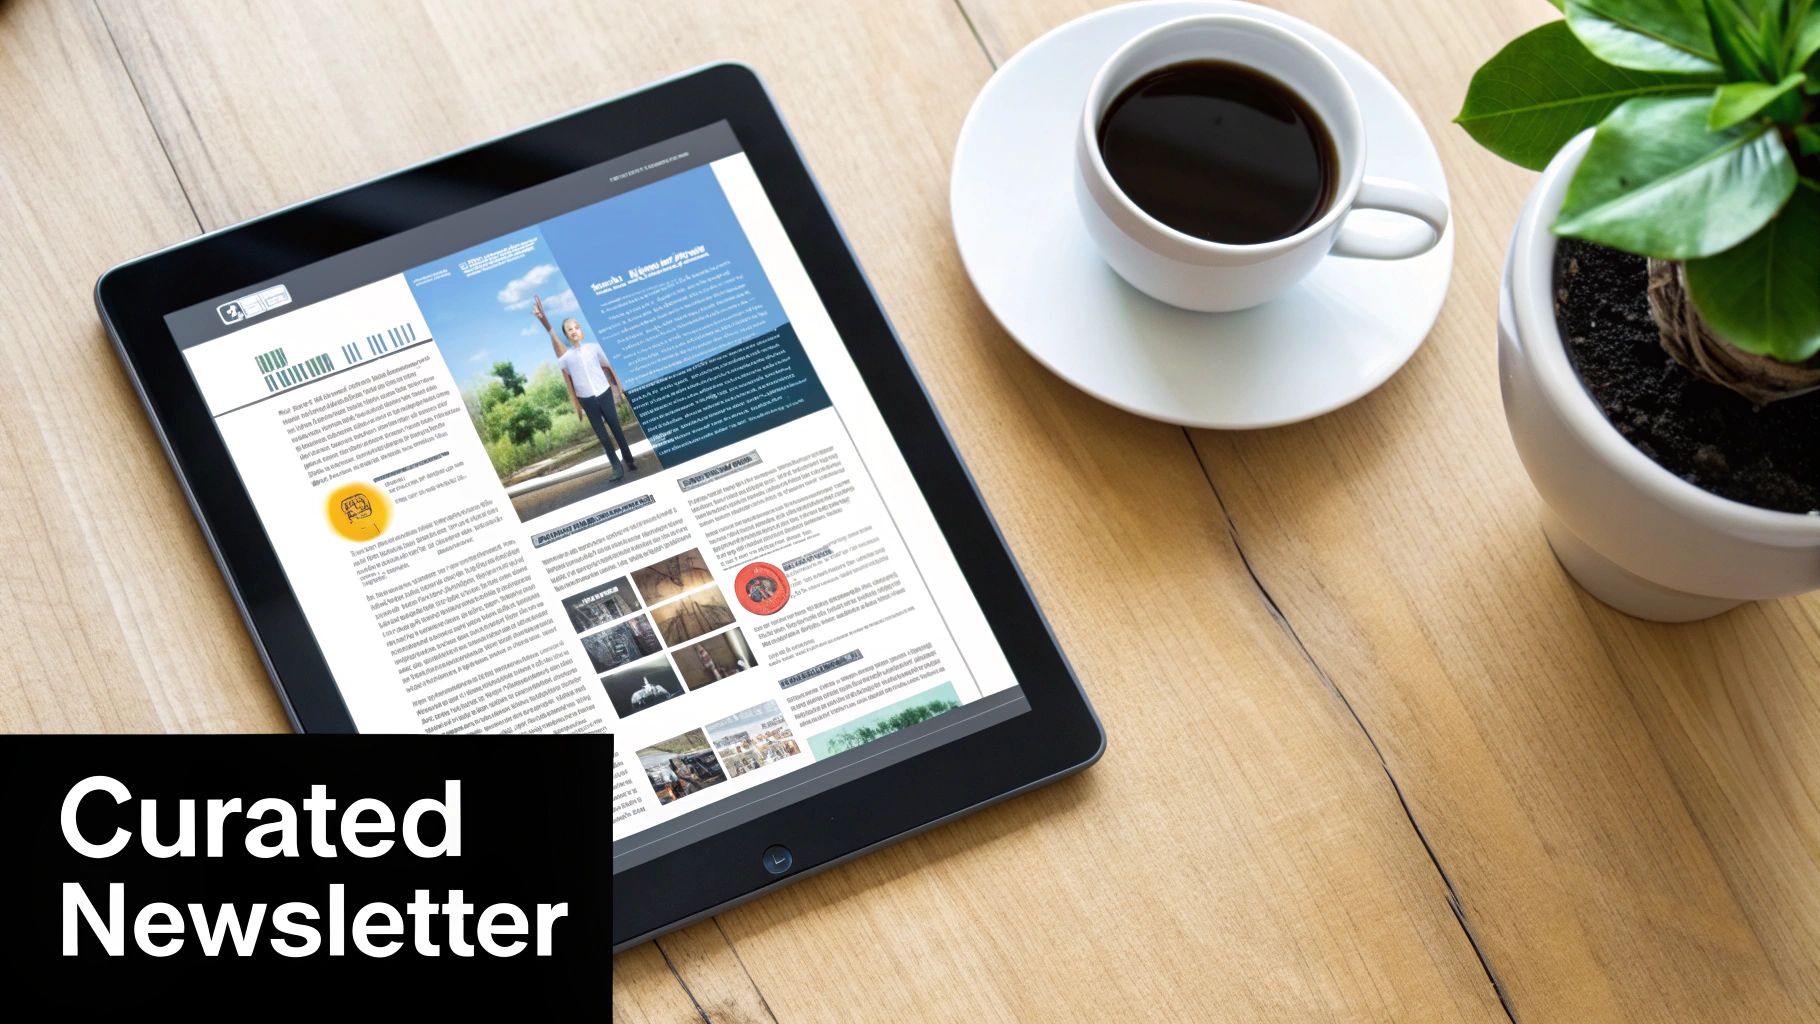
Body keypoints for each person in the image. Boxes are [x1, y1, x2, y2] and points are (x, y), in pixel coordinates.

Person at [533, 294, 638, 481]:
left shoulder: (594, 348)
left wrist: (619, 388)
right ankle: (616, 467)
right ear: (566, 335)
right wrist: (545, 322)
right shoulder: (565, 358)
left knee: (616, 428)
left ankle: (628, 459)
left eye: (576, 327)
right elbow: (568, 381)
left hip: (603, 393)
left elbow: (608, 367)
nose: (573, 331)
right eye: (569, 330)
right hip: (586, 399)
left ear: (581, 331)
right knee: (603, 436)